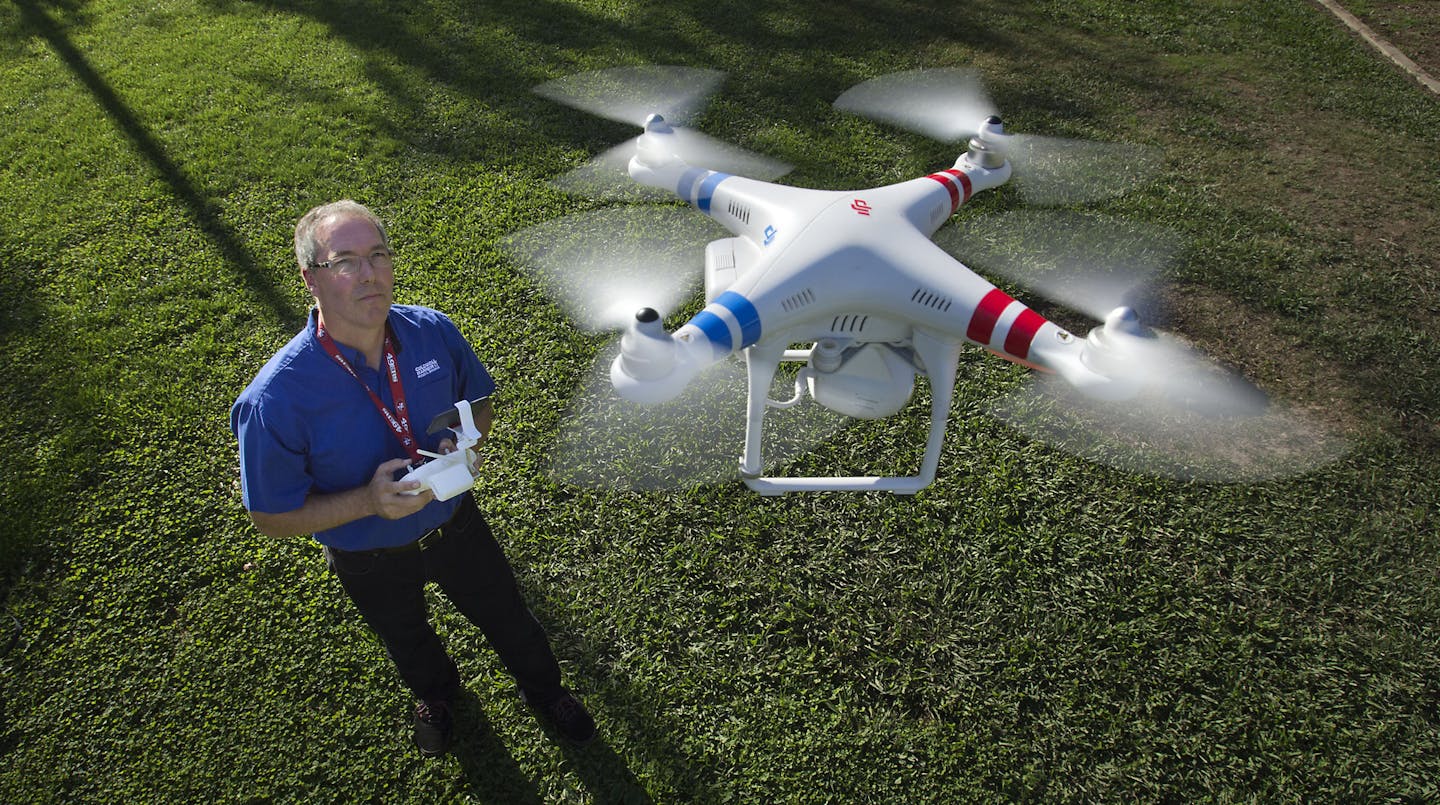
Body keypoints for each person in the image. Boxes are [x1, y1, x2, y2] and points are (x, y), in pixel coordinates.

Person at [230, 199, 595, 756]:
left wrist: (466, 441)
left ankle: (546, 693)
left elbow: (478, 403)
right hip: (368, 555)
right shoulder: (275, 399)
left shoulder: (430, 331)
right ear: (311, 279)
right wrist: (368, 502)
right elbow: (270, 515)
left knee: (508, 616)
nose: (370, 274)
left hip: (455, 522)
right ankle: (437, 695)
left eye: (378, 255)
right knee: (406, 637)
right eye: (345, 261)